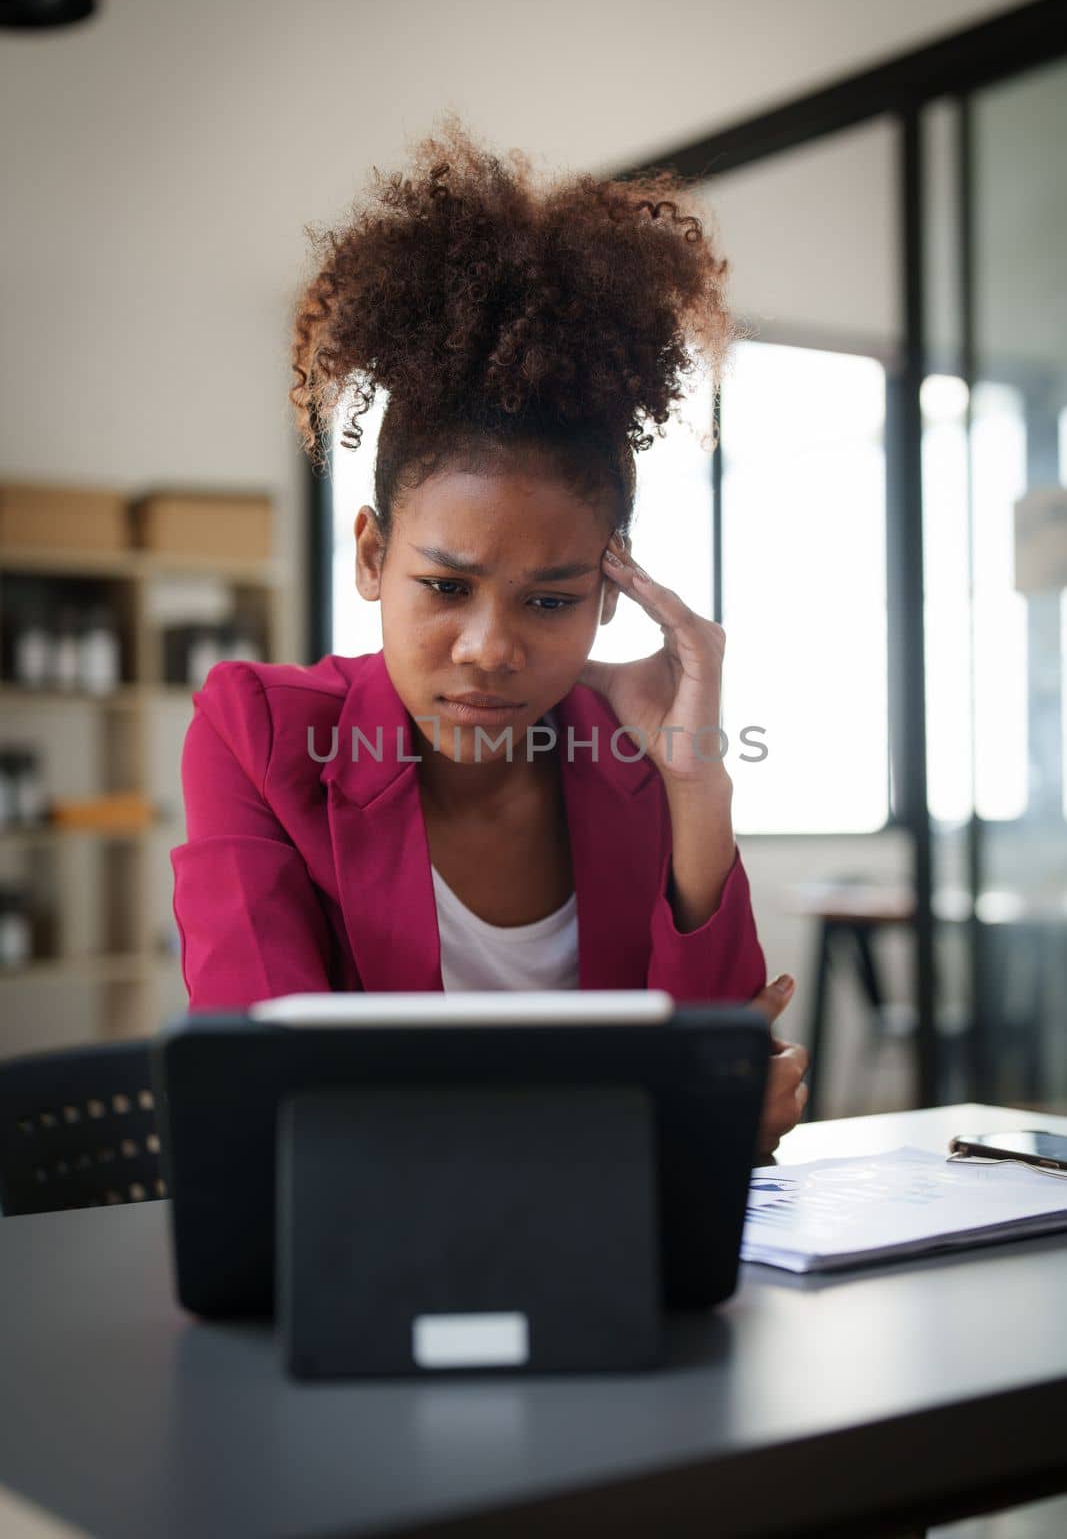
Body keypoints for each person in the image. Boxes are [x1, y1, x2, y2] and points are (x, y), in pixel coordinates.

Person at [170, 112, 810, 1156]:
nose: (489, 648)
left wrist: (698, 785)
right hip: (368, 1275)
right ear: (372, 555)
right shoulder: (259, 738)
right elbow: (267, 1094)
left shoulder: (635, 755)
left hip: (613, 1276)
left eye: (550, 598)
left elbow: (724, 1100)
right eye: (445, 585)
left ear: (611, 591)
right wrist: (649, 1115)